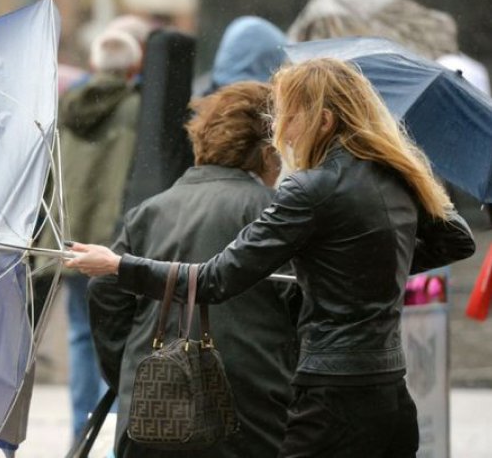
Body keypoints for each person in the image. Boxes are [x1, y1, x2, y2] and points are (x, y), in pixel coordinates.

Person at [66, 58, 476, 457]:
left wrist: (118, 266)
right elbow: (457, 239)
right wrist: (350, 268)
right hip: (389, 390)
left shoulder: (311, 190)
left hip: (329, 395)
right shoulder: (397, 176)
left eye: (288, 115)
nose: (281, 130)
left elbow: (215, 279)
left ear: (325, 120)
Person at [88, 81, 299, 458]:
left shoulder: (150, 211)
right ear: (268, 153)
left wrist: (136, 370)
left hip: (151, 412)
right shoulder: (276, 213)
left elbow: (106, 292)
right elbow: (303, 305)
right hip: (249, 408)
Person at [0, 28, 143, 457]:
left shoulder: (67, 106)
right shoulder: (137, 109)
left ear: (96, 66)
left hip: (67, 237)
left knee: (81, 331)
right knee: (120, 333)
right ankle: (113, 429)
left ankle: (81, 432)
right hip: (115, 240)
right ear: (133, 67)